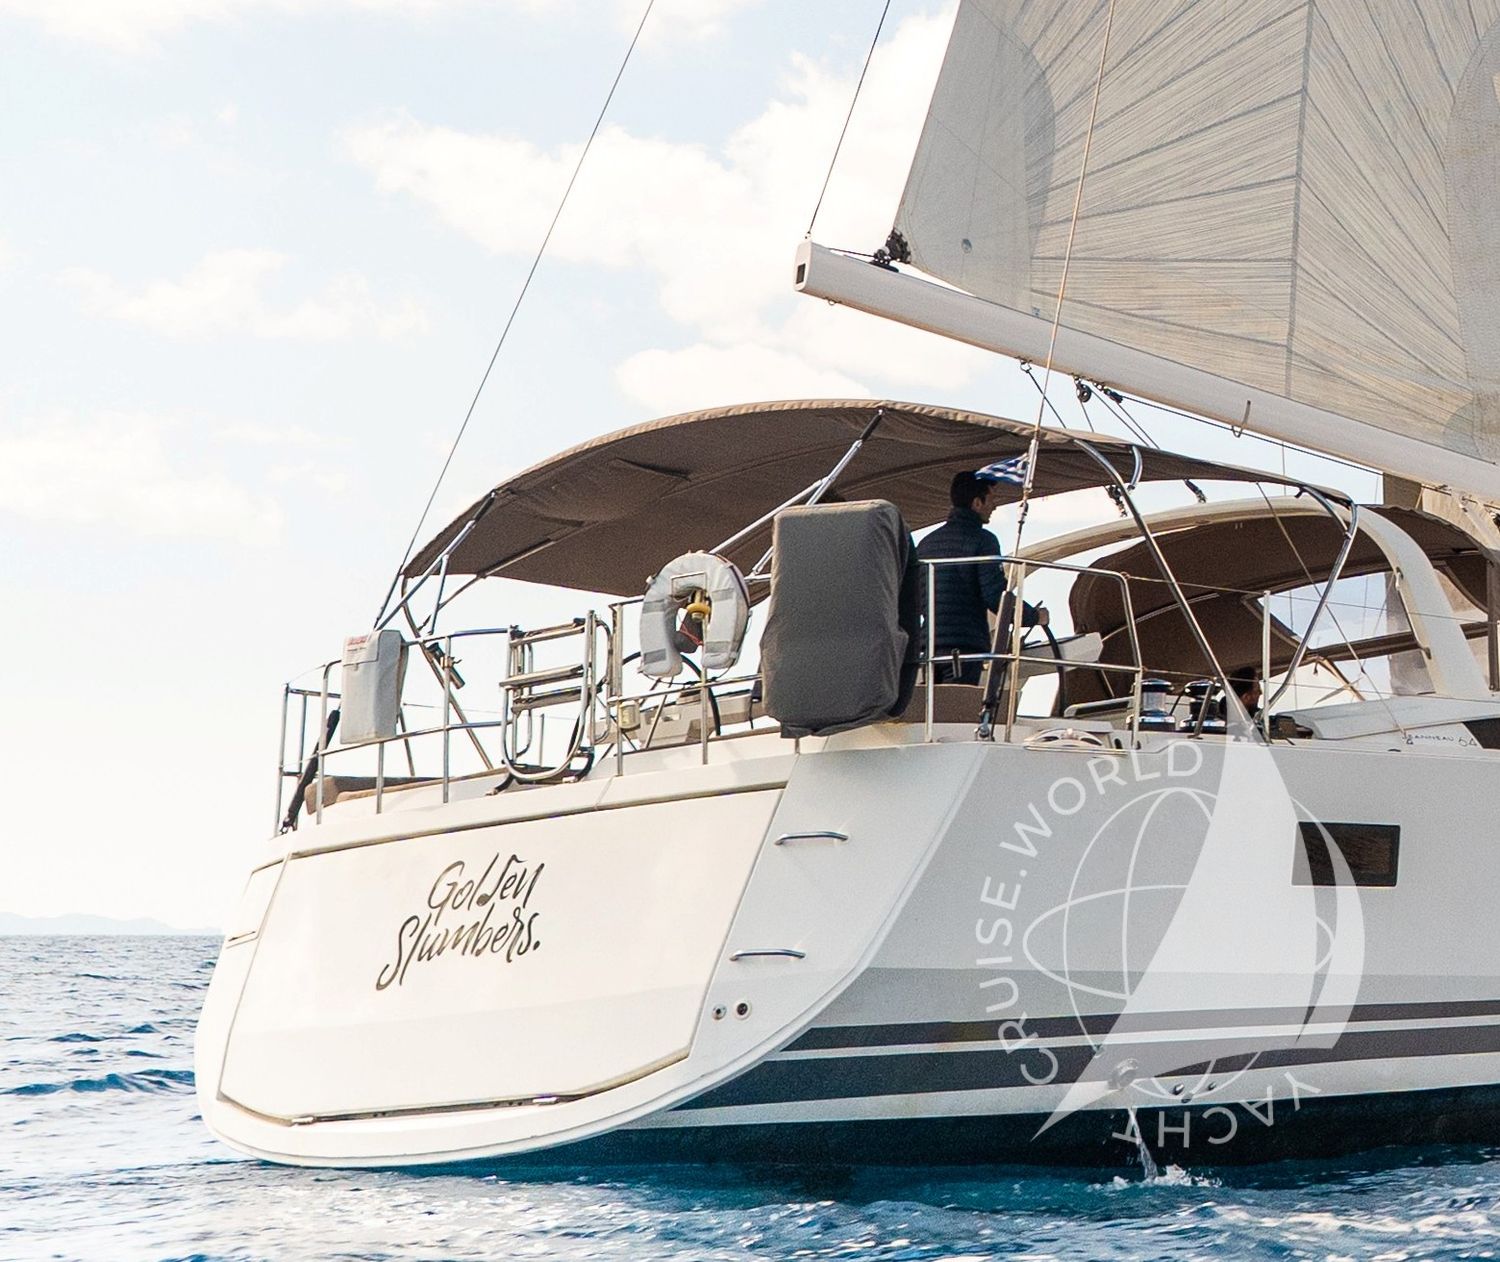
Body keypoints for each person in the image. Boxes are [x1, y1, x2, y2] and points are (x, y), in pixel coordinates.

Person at [916, 470, 1047, 684]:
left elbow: (916, 599)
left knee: (933, 705)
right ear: (977, 503)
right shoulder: (983, 540)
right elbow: (995, 596)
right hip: (965, 649)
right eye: (991, 499)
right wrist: (1033, 616)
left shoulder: (926, 544)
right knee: (958, 705)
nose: (994, 506)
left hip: (928, 651)